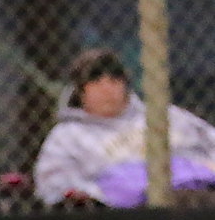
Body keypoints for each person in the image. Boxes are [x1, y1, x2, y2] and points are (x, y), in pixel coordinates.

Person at [33, 48, 215, 209]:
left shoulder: (165, 116)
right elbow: (53, 186)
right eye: (96, 82)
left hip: (197, 198)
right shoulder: (66, 136)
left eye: (114, 81)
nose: (107, 89)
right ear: (80, 92)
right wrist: (101, 196)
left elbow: (210, 140)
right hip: (119, 216)